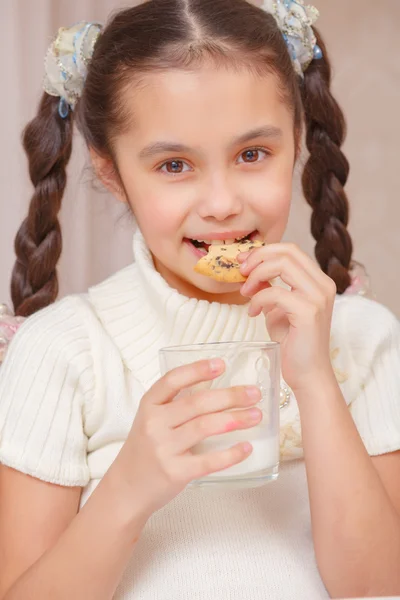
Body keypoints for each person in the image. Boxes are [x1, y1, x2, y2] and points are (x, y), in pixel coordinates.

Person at [0, 1, 399, 598]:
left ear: (296, 142)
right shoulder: (63, 351)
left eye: (252, 155)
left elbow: (376, 585)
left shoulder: (364, 338)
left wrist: (316, 381)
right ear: (111, 173)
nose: (220, 202)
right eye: (175, 164)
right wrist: (128, 488)